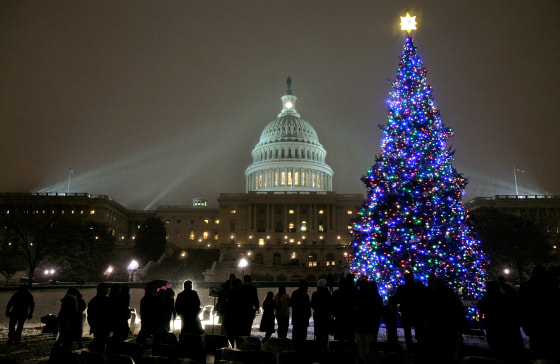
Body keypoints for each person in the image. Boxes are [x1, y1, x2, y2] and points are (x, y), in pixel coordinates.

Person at [519, 265, 560, 360]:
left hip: (533, 322)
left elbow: (522, 306)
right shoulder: (552, 284)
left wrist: (525, 324)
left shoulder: (525, 286)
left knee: (537, 349)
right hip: (550, 322)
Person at [478, 278, 523, 362]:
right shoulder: (506, 295)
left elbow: (481, 306)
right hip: (507, 327)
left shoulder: (488, 297)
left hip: (493, 327)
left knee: (497, 349)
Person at [424, 278, 465, 364]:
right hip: (450, 325)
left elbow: (429, 311)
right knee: (449, 346)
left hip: (437, 326)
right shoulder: (451, 294)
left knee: (439, 346)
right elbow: (459, 308)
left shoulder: (433, 296)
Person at [394, 272, 427, 351]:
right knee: (418, 329)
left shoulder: (402, 288)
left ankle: (410, 346)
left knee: (407, 330)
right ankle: (420, 345)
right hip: (417, 312)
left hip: (406, 311)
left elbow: (397, 299)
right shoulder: (419, 287)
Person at [354, 278, 383, 364]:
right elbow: (378, 311)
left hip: (359, 326)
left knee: (361, 348)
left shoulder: (356, 296)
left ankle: (362, 361)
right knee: (369, 348)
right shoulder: (374, 296)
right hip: (370, 326)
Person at [331, 275, 355, 342]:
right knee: (350, 338)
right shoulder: (352, 293)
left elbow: (332, 306)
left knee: (340, 339)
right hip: (350, 319)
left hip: (339, 319)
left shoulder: (335, 293)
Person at [87, 283, 110, 352]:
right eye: (107, 289)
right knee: (101, 343)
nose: (108, 290)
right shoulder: (105, 300)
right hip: (103, 325)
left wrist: (92, 325)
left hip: (97, 325)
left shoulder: (93, 300)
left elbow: (90, 314)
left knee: (98, 341)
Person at [311, 278, 332, 350]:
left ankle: (318, 349)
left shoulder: (315, 294)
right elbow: (330, 305)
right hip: (326, 316)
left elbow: (313, 306)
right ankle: (325, 349)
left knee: (318, 334)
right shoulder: (328, 294)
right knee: (325, 334)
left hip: (317, 316)